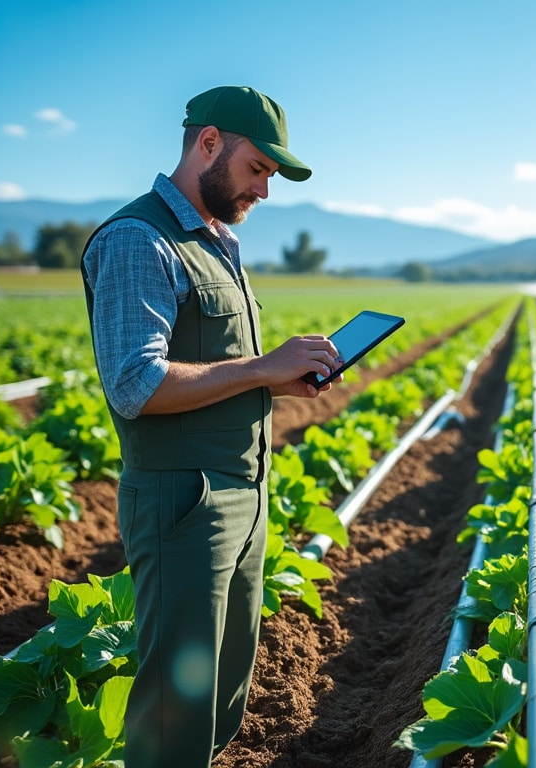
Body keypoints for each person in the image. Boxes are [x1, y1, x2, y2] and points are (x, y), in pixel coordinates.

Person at [81, 85, 340, 768]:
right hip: (186, 502)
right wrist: (261, 367)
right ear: (208, 143)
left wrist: (274, 379)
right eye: (258, 169)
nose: (264, 190)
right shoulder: (140, 239)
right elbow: (137, 385)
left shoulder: (215, 240)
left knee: (220, 695)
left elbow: (215, 369)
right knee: (175, 714)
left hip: (242, 497)